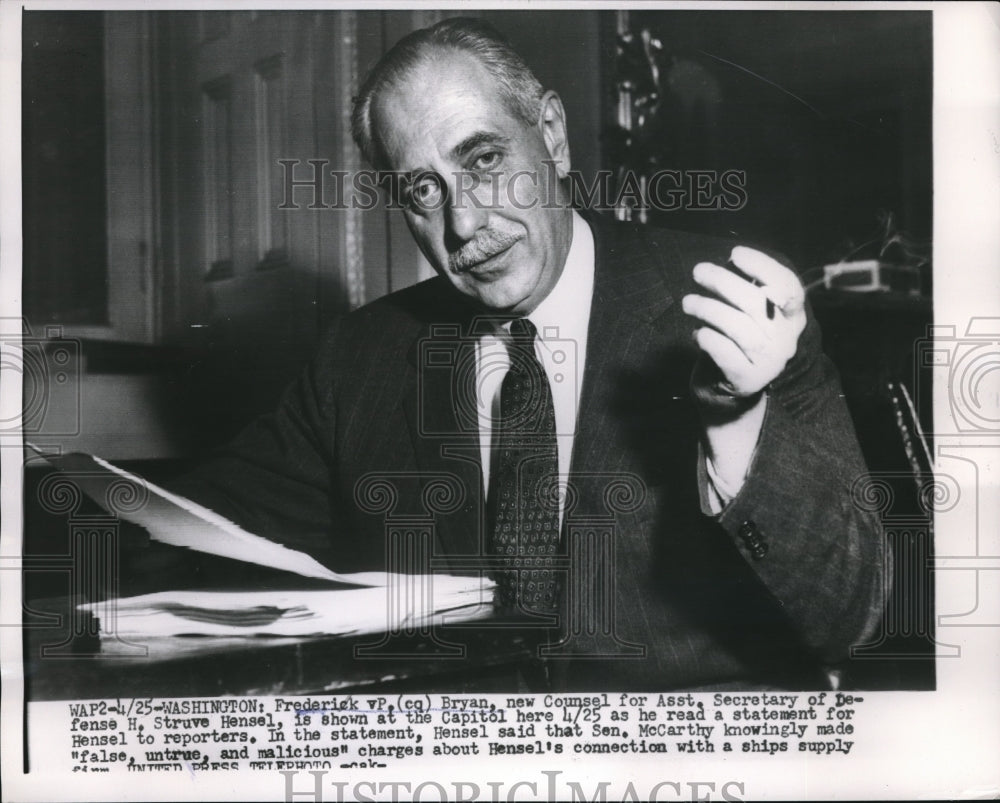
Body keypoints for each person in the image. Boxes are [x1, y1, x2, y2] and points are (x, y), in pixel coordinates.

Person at [170, 18, 885, 690]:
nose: (465, 223)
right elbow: (198, 530)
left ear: (551, 134)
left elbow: (849, 617)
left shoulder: (727, 304)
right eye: (423, 189)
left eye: (482, 159)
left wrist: (734, 421)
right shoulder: (359, 356)